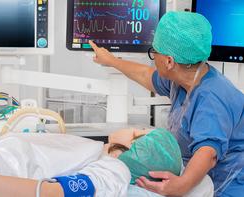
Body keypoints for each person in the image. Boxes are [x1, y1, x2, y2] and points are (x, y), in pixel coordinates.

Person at [89, 11, 244, 197]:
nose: (153, 58)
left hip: (227, 186)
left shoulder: (212, 98)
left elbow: (208, 153)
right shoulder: (183, 77)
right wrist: (111, 61)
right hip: (202, 179)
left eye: (154, 52)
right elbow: (147, 76)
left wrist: (181, 186)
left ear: (169, 61)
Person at [0, 128, 183, 197]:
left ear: (131, 150)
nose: (132, 127)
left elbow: (49, 192)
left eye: (138, 131)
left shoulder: (114, 171)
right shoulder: (95, 151)